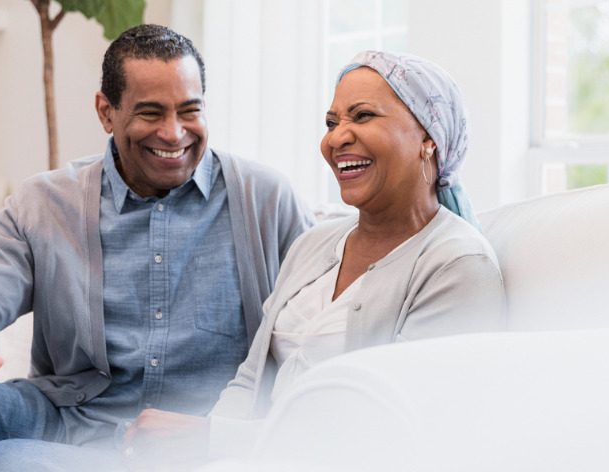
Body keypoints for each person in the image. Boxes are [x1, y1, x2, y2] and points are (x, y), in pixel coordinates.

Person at [0, 24, 314, 470]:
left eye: (189, 111)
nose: (174, 133)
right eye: (151, 113)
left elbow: (322, 320)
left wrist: (236, 435)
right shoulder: (43, 203)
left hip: (201, 438)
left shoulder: (267, 200)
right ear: (106, 111)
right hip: (69, 424)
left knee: (1, 464)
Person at [119, 50, 507, 469]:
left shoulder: (459, 265)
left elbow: (390, 429)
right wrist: (194, 453)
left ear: (429, 138)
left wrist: (214, 440)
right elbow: (249, 382)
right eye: (331, 122)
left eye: (361, 116)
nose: (337, 138)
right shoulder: (314, 243)